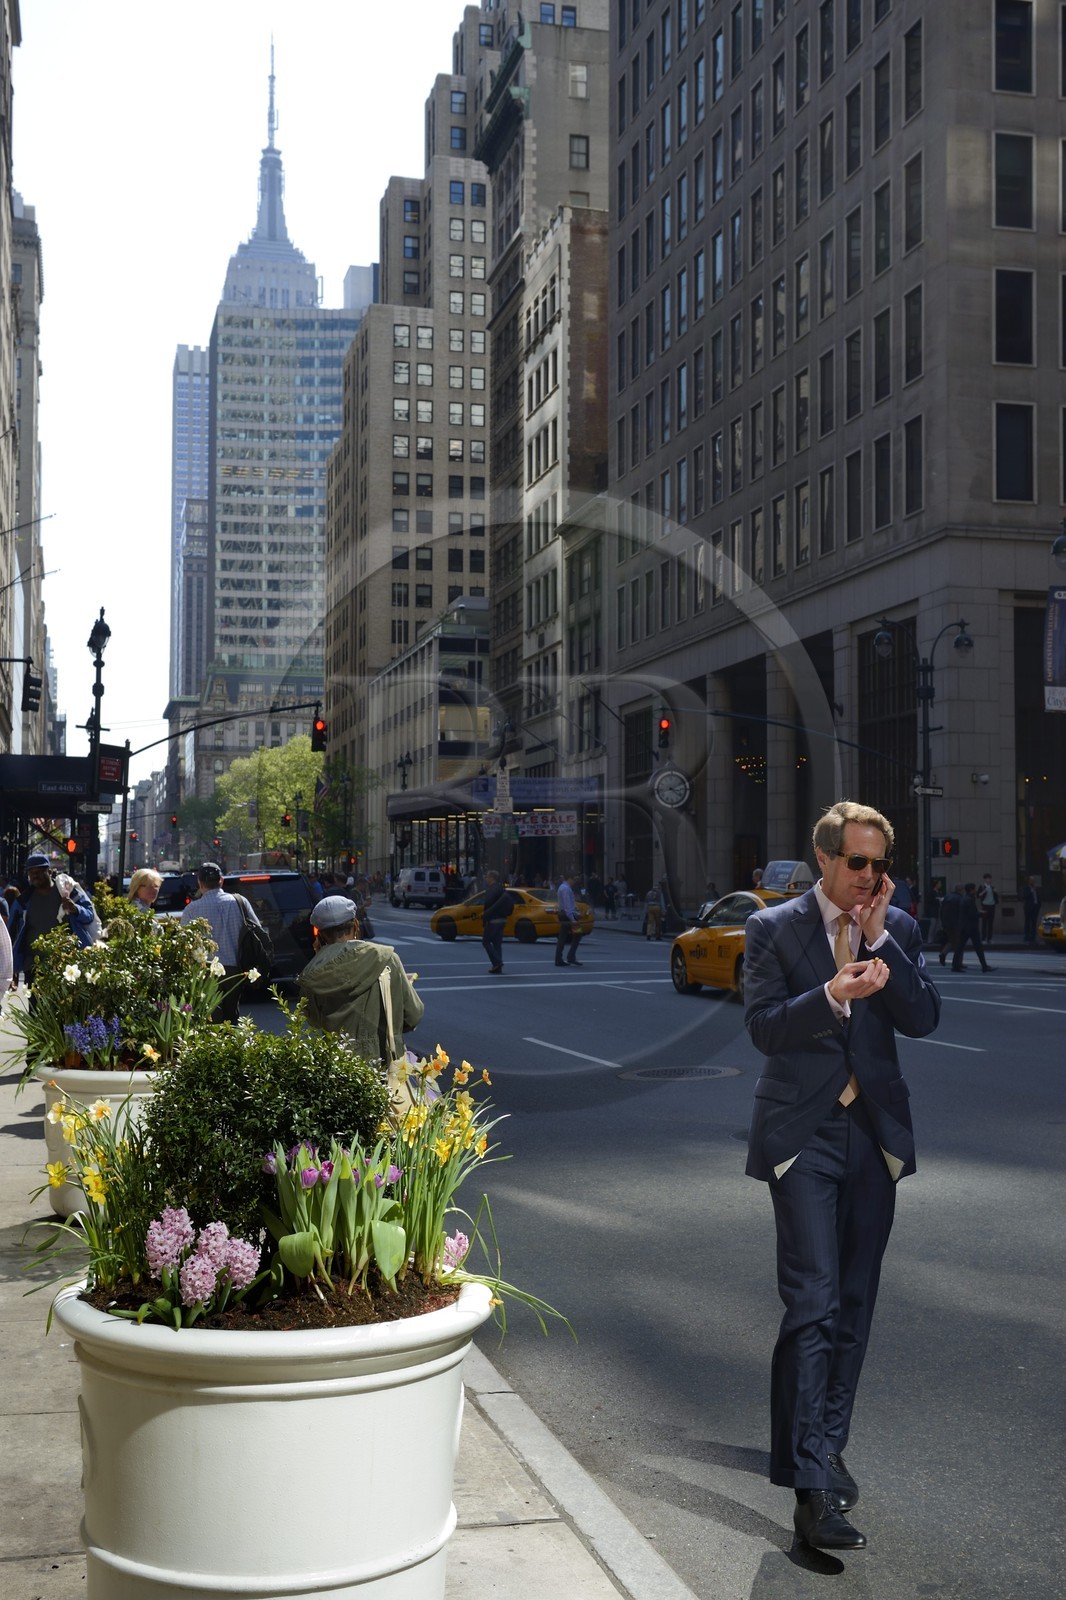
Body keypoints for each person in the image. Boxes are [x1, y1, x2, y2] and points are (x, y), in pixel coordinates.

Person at [743, 800, 941, 1552]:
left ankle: (825, 1444)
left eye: (878, 866)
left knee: (853, 1307)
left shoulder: (899, 929)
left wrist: (883, 942)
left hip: (873, 1136)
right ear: (824, 858)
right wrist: (833, 996)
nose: (867, 877)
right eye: (855, 863)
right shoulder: (772, 927)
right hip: (805, 1135)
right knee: (813, 1305)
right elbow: (762, 1026)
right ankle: (810, 1488)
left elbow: (923, 1019)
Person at [298, 895, 424, 1074]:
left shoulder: (312, 974)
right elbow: (413, 1015)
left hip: (336, 1071)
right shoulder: (387, 959)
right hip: (386, 1069)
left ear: (320, 934)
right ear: (356, 925)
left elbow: (313, 1022)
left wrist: (320, 956)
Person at [180, 862, 265, 1023]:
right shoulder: (239, 902)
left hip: (206, 971)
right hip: (236, 969)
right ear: (221, 880)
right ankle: (232, 1044)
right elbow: (257, 931)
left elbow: (184, 943)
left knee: (211, 1017)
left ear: (199, 883)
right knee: (232, 1016)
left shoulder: (192, 909)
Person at [12, 853, 97, 986]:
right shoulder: (22, 901)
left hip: (66, 963)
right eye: (31, 872)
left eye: (39, 871)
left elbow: (89, 915)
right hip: (34, 966)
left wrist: (75, 909)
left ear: (50, 872)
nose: (35, 875)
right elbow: (12, 934)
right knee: (35, 1005)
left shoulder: (69, 892)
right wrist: (12, 967)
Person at [952, 884, 994, 973]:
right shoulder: (969, 900)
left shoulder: (965, 898)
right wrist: (982, 914)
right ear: (971, 890)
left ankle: (955, 965)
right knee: (978, 947)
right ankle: (984, 966)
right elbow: (972, 914)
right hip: (971, 927)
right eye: (974, 889)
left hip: (965, 926)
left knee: (960, 947)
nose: (975, 890)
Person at [481, 870, 513, 975]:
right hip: (502, 919)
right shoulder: (500, 888)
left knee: (485, 941)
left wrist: (485, 918)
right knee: (497, 944)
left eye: (487, 877)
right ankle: (497, 967)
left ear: (491, 878)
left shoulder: (491, 890)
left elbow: (488, 904)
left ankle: (498, 962)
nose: (486, 878)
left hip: (493, 920)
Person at [554, 872, 582, 967]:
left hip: (565, 914)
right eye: (573, 879)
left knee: (564, 935)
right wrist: (572, 919)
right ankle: (569, 957)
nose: (574, 881)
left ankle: (561, 958)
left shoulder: (563, 887)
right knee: (577, 934)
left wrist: (575, 909)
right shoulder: (565, 889)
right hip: (567, 915)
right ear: (569, 878)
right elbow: (567, 906)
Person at [936, 885, 963, 965]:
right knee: (959, 943)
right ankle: (958, 962)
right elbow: (961, 913)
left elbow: (941, 911)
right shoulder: (959, 899)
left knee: (951, 941)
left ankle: (943, 954)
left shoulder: (947, 897)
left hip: (947, 923)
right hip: (956, 924)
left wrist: (943, 923)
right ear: (961, 890)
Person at [977, 874, 998, 945]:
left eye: (990, 878)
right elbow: (978, 895)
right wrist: (983, 892)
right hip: (985, 906)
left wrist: (995, 892)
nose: (990, 880)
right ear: (985, 879)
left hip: (992, 906)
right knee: (984, 923)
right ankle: (983, 938)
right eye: (988, 878)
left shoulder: (992, 887)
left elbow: (996, 896)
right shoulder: (982, 887)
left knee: (991, 923)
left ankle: (990, 938)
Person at [1021, 877, 1040, 945]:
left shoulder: (1036, 889)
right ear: (1029, 881)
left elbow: (1038, 897)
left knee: (1034, 922)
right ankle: (1027, 936)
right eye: (1032, 881)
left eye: (1034, 881)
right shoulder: (1026, 888)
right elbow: (1024, 896)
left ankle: (1033, 936)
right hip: (1028, 908)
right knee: (1027, 921)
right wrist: (1031, 891)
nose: (1033, 882)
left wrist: (1038, 906)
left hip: (1035, 907)